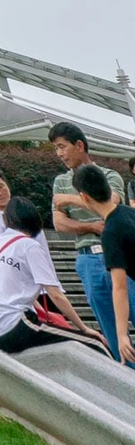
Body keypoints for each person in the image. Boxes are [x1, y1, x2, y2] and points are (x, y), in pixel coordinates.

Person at [0, 197, 101, 354]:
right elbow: (55, 294)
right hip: (17, 324)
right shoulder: (28, 246)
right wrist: (83, 328)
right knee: (95, 344)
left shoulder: (0, 244)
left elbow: (16, 290)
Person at [50, 124, 126, 359]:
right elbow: (59, 224)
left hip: (118, 254)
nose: (59, 154)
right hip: (88, 259)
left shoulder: (110, 175)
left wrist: (68, 200)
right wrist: (91, 225)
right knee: (109, 327)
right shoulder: (60, 181)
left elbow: (110, 201)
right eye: (56, 149)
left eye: (62, 147)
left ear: (79, 145)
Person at [72, 165, 133, 364]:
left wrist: (122, 335)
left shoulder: (110, 232)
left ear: (84, 197)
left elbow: (119, 286)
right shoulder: (128, 213)